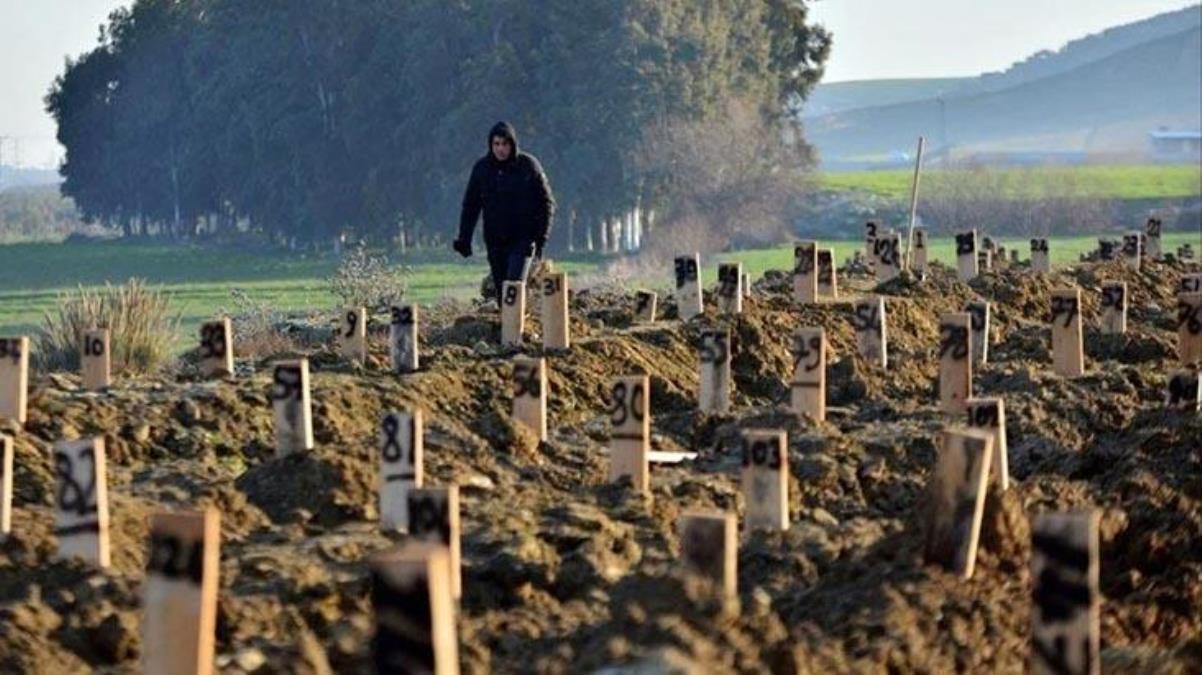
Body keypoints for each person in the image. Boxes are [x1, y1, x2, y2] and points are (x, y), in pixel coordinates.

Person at [453, 121, 555, 306]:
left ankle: (517, 323)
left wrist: (541, 237)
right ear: (490, 145)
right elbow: (471, 206)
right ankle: (512, 322)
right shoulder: (482, 169)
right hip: (495, 241)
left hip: (523, 239)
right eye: (496, 144)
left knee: (513, 286)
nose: (500, 149)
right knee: (502, 294)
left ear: (512, 144)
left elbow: (547, 203)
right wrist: (464, 238)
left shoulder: (528, 166)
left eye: (505, 144)